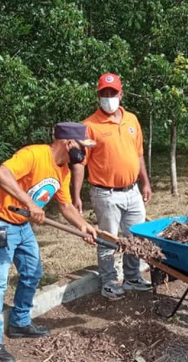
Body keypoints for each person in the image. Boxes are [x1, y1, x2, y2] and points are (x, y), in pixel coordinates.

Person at [0, 122, 98, 362]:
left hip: (21, 225)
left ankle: (20, 322)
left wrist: (83, 226)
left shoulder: (63, 170)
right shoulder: (34, 154)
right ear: (68, 143)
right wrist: (30, 204)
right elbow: (1, 174)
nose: (84, 152)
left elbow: (65, 206)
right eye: (82, 146)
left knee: (33, 272)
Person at [72, 73, 153, 301]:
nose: (108, 97)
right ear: (98, 96)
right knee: (107, 239)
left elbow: (138, 154)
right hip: (105, 193)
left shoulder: (132, 120)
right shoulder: (88, 126)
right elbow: (80, 163)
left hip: (132, 190)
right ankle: (108, 281)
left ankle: (132, 277)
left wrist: (145, 182)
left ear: (121, 93)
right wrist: (76, 195)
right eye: (104, 94)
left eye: (112, 93)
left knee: (135, 238)